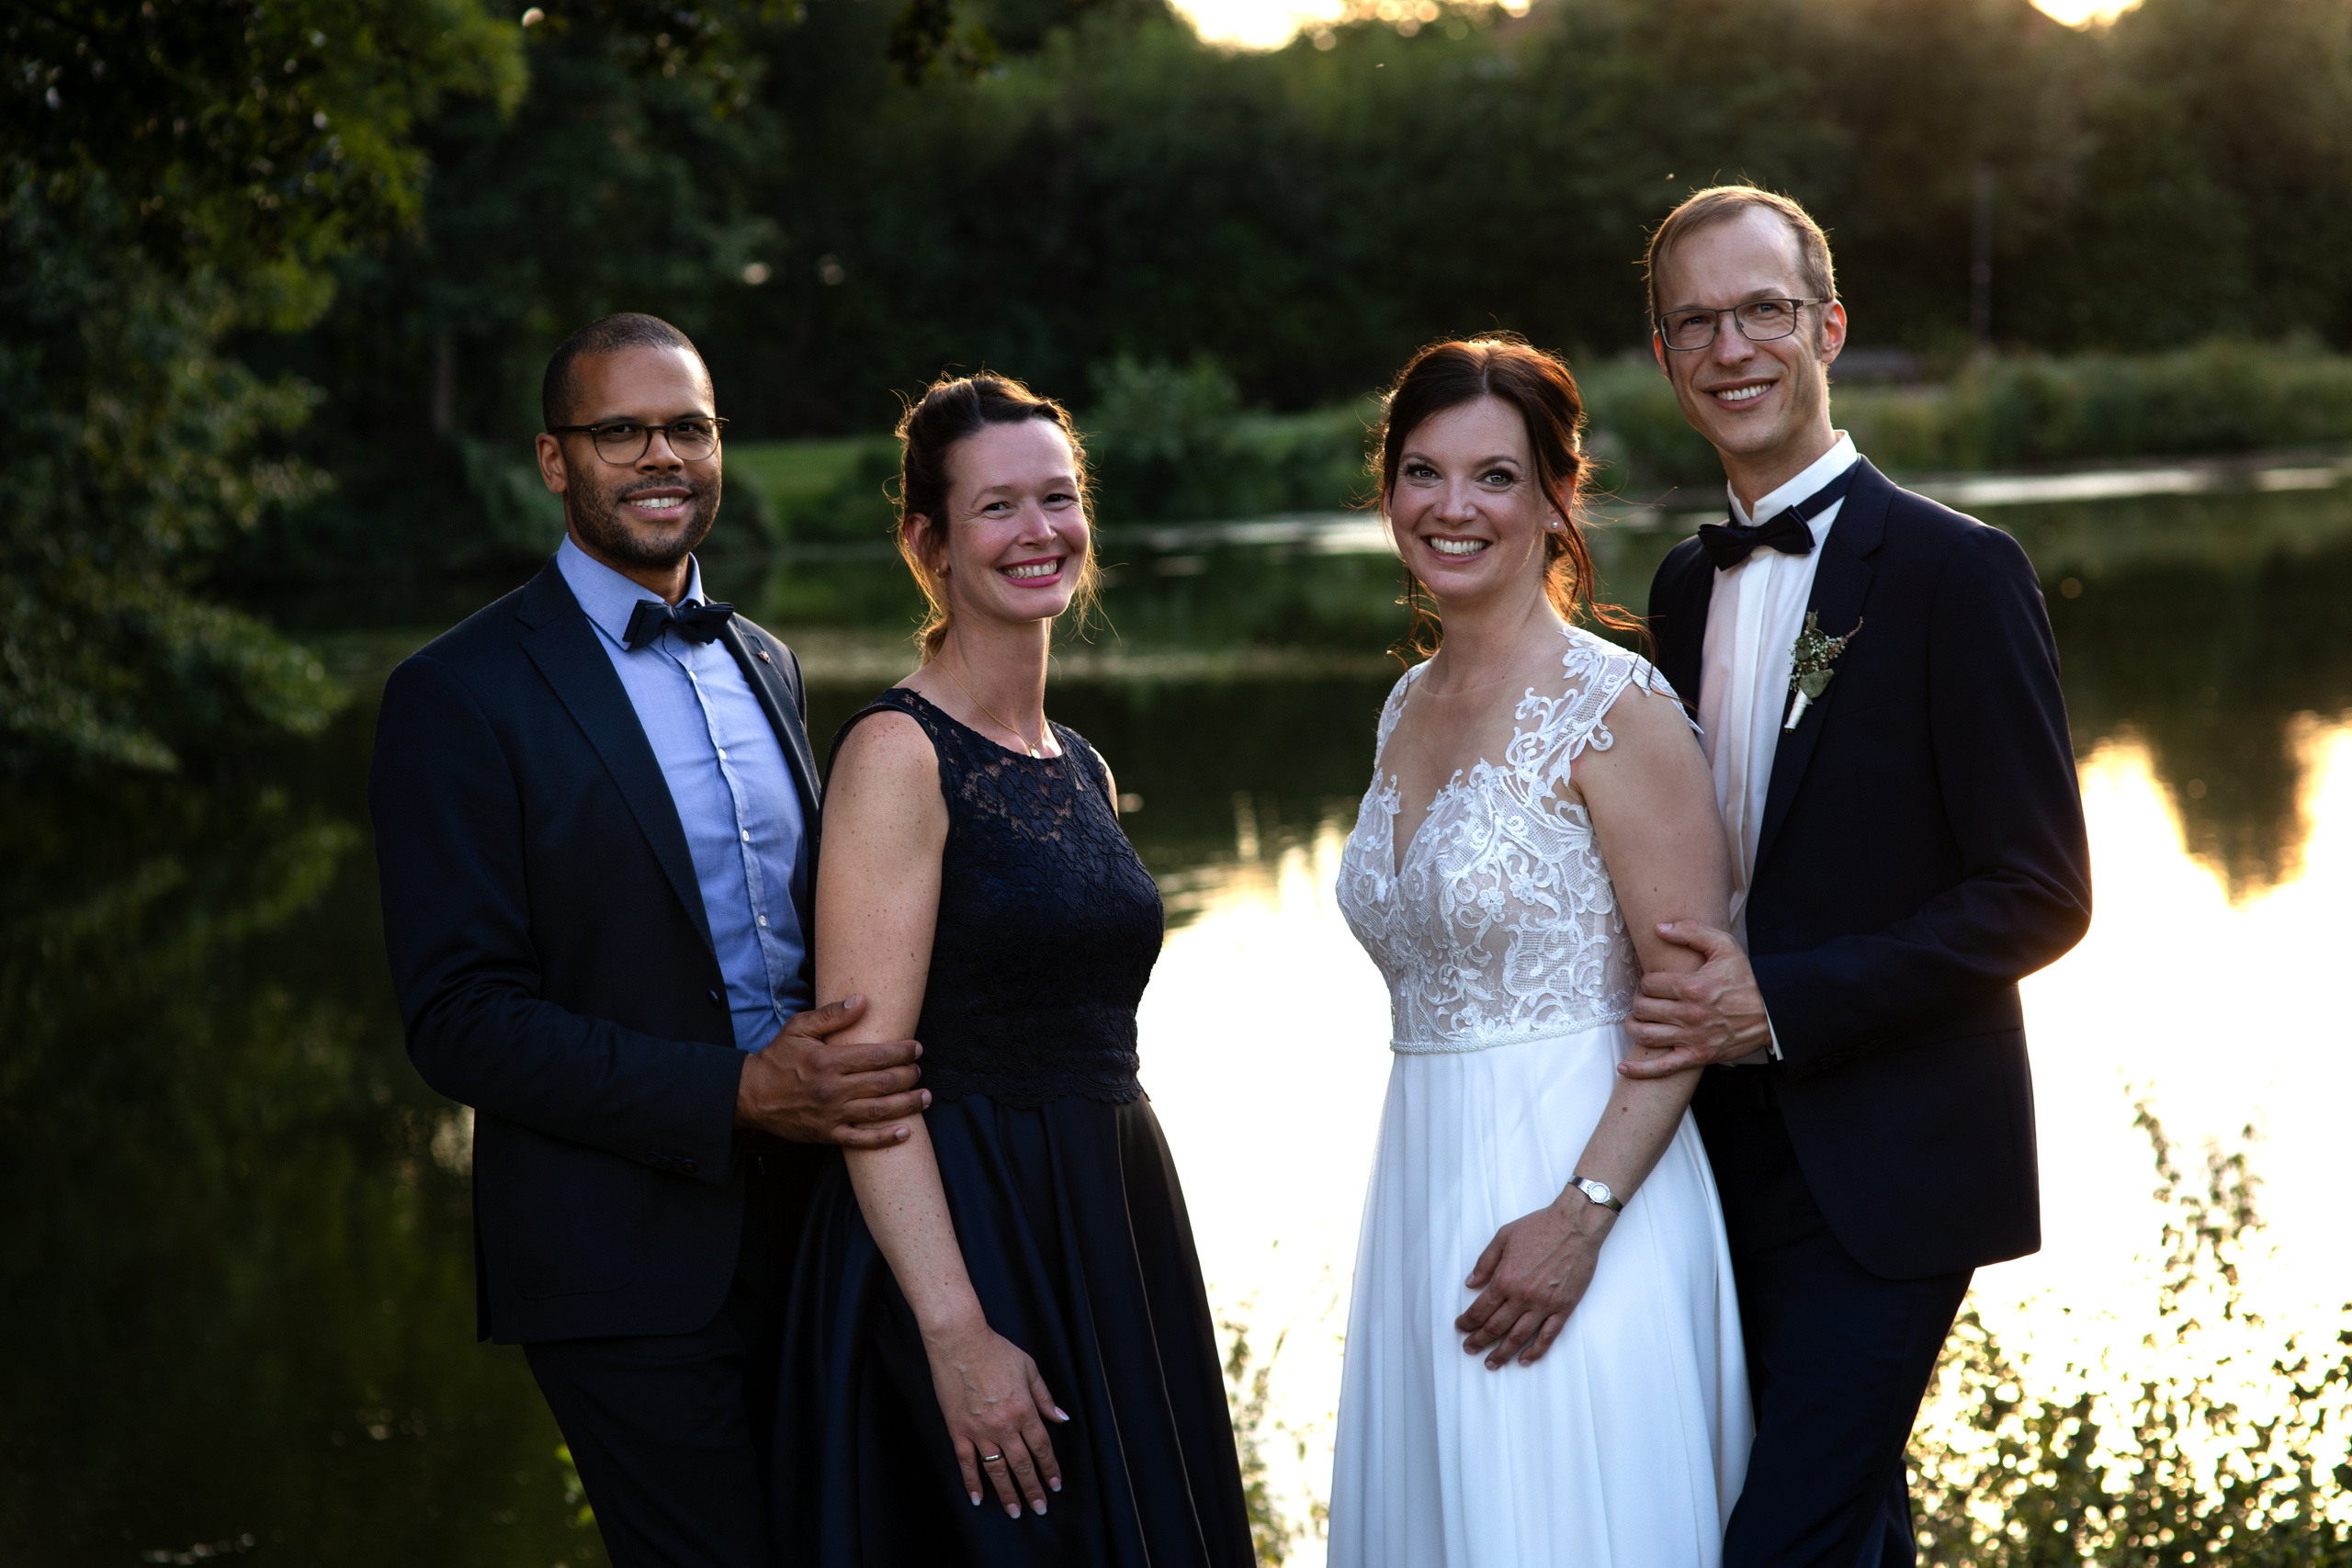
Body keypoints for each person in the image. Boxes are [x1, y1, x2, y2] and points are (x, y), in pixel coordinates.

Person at [369, 312, 932, 1568]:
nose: (660, 456)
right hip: (619, 1259)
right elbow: (458, 1018)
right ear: (555, 460)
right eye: (619, 431)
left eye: (688, 427)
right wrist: (736, 1090)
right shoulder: (457, 696)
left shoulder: (768, 663)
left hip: (829, 1226)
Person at [1626, 186, 2094, 1567]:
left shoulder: (1960, 571)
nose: (1732, 349)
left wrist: (1781, 1005)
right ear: (1665, 356)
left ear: (1827, 324)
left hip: (1891, 1161)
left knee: (1781, 1540)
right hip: (1707, 1161)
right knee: (1842, 1534)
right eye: (1695, 323)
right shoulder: (1679, 588)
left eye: (1762, 310)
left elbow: (2039, 892)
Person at [769, 373, 1254, 1565]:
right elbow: (864, 1083)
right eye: (997, 509)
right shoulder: (898, 754)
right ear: (925, 542)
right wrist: (954, 1330)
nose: (1039, 532)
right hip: (973, 1237)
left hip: (1107, 1221)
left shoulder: (1075, 759)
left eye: (1060, 497)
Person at [1327, 337, 1752, 1568]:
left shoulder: (1616, 707)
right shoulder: (1405, 705)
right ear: (1389, 489)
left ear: (1558, 495)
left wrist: (1583, 1217)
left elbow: (1693, 1000)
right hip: (1423, 1191)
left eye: (1495, 476)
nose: (1452, 508)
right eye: (1422, 472)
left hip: (1587, 1201)